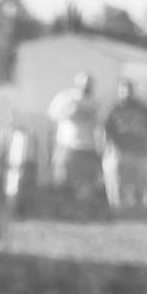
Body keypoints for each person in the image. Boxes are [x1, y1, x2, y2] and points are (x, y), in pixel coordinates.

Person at [99, 79, 147, 213]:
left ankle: (140, 208)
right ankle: (117, 208)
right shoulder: (113, 107)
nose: (126, 93)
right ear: (119, 91)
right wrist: (105, 146)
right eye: (123, 90)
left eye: (129, 90)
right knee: (117, 181)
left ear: (133, 91)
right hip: (118, 149)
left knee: (140, 180)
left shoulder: (142, 108)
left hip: (138, 150)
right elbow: (104, 128)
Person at [45, 74, 101, 208]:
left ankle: (83, 208)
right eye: (83, 84)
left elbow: (99, 123)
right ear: (77, 84)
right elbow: (52, 114)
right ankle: (62, 207)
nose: (85, 87)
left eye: (88, 85)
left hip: (88, 146)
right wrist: (68, 113)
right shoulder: (65, 97)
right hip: (67, 144)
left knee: (85, 180)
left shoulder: (96, 102)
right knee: (63, 177)